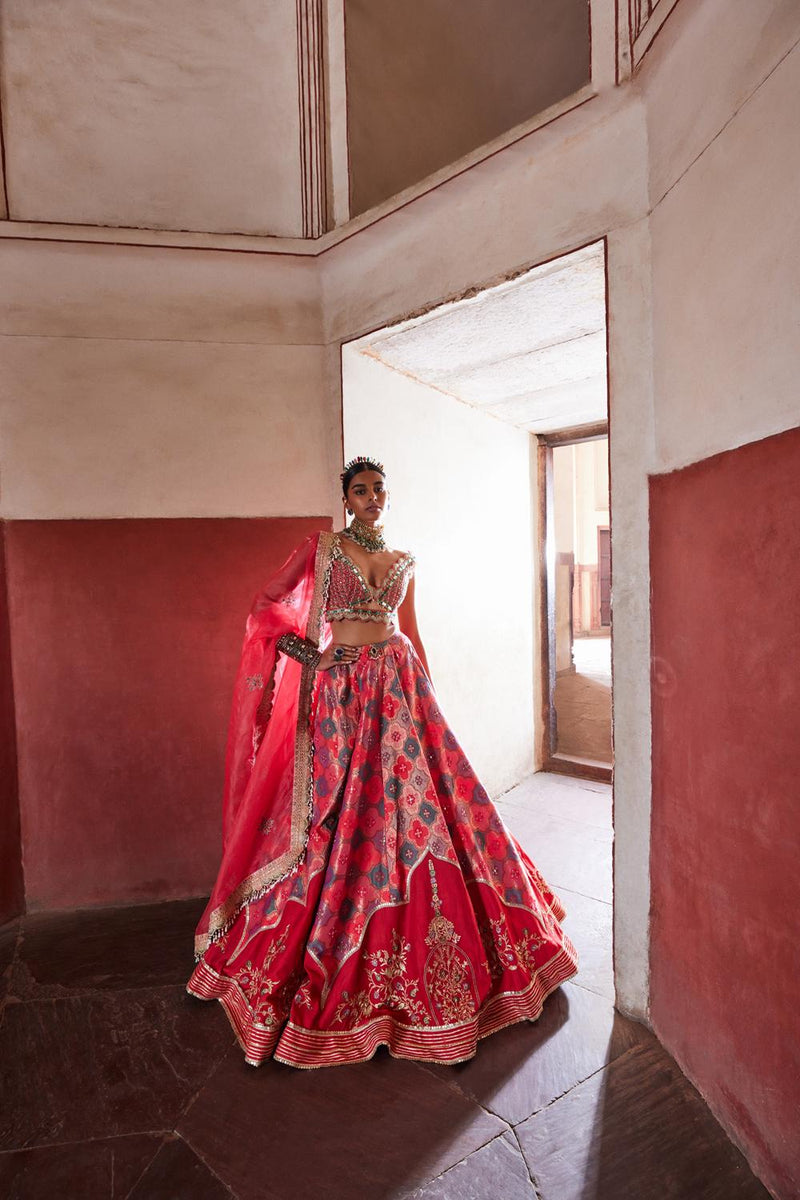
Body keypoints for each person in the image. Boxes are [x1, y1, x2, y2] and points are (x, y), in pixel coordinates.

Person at [187, 456, 578, 1068]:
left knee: (422, 810)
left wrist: (431, 701)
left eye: (379, 491)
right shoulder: (323, 548)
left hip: (401, 689)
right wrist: (312, 660)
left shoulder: (404, 562)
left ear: (387, 500)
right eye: (361, 490)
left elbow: (410, 633)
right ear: (346, 498)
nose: (372, 498)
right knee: (337, 812)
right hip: (341, 695)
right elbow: (268, 612)